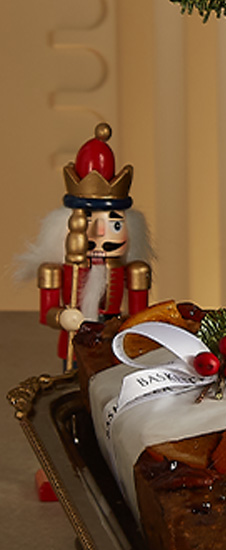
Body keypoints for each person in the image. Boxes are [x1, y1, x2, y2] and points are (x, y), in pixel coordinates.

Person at [19, 122, 152, 369]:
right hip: (74, 340)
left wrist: (129, 329)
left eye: (113, 224)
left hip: (113, 343)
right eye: (89, 222)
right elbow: (47, 312)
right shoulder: (55, 269)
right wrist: (63, 317)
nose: (99, 232)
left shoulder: (133, 269)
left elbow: (140, 316)